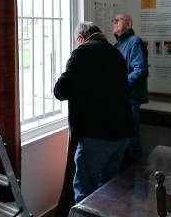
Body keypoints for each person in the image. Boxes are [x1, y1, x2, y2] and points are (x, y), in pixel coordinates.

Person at [54, 22, 133, 203]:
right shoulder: (116, 53)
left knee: (84, 193)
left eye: (76, 41)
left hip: (96, 134)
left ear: (81, 38)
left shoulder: (82, 52)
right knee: (110, 188)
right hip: (121, 132)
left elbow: (61, 91)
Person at [113, 13, 148, 163]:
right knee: (121, 143)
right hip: (120, 100)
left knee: (132, 142)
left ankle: (140, 182)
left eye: (118, 19)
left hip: (130, 100)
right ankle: (127, 183)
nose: (114, 22)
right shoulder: (117, 45)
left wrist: (119, 85)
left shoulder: (135, 42)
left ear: (129, 24)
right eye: (113, 20)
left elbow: (140, 70)